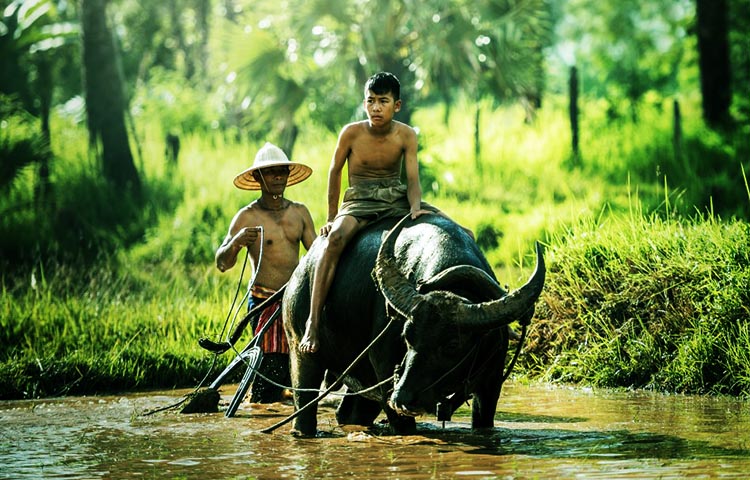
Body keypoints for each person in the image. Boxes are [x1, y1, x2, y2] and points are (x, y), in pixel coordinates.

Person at [300, 72, 468, 354]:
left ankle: (489, 312)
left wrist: (416, 206)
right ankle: (313, 323)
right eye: (371, 101)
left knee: (462, 232)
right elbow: (334, 172)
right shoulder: (351, 133)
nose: (376, 107)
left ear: (397, 105)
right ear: (364, 103)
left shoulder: (406, 135)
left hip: (395, 198)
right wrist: (331, 218)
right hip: (360, 201)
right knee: (333, 243)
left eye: (383, 101)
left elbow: (412, 180)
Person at [216, 142, 316, 402]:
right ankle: (261, 406)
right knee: (269, 369)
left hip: (294, 301)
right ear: (258, 177)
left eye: (282, 172)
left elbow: (316, 255)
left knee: (300, 366)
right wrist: (237, 241)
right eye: (271, 173)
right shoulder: (247, 217)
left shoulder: (299, 213)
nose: (278, 178)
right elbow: (222, 262)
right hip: (264, 302)